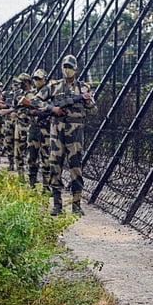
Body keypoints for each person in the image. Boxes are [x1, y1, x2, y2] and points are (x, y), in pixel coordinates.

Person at [29, 54, 97, 215]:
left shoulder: (84, 88)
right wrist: (52, 109)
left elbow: (94, 110)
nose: (67, 70)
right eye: (65, 67)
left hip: (76, 132)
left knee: (76, 168)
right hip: (57, 130)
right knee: (55, 167)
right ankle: (57, 204)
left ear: (76, 69)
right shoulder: (54, 87)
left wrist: (86, 100)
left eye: (70, 67)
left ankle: (76, 204)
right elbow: (34, 101)